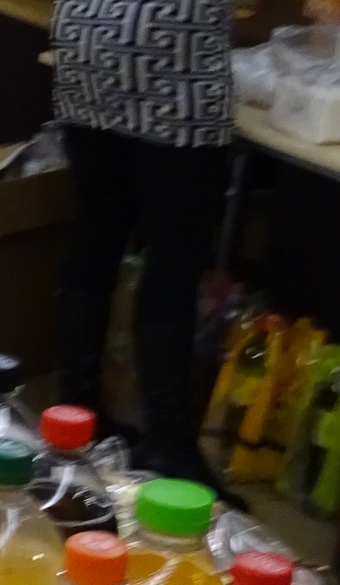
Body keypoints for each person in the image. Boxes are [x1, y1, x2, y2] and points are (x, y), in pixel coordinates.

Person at [49, 0, 235, 490]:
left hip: (85, 33)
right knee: (175, 256)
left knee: (97, 228)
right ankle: (168, 445)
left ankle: (77, 414)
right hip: (169, 46)